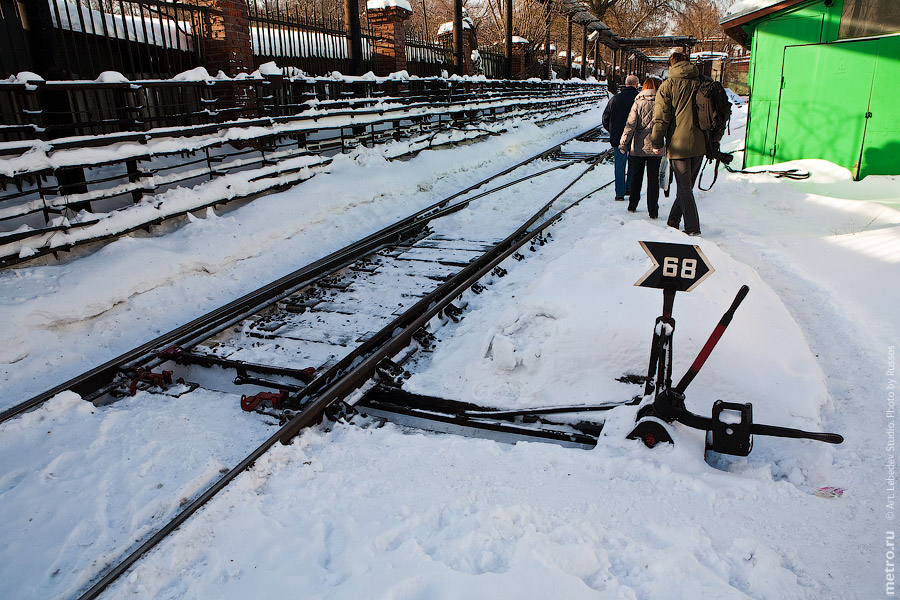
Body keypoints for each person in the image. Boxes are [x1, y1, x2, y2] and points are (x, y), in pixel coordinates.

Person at [649, 53, 707, 236]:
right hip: (701, 143)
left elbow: (661, 118)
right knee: (686, 186)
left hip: (679, 144)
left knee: (683, 187)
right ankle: (673, 220)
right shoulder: (702, 82)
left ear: (671, 65)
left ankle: (692, 227)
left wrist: (656, 142)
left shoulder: (668, 86)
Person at [619, 78, 662, 219]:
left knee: (636, 177)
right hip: (657, 146)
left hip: (638, 146)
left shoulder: (637, 102)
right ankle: (653, 210)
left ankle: (632, 205)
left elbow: (630, 125)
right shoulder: (663, 102)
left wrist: (623, 143)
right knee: (653, 179)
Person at [602, 74, 640, 202]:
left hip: (618, 139)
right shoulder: (639, 99)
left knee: (619, 165)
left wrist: (613, 131)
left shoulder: (615, 99)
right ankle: (630, 188)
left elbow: (605, 119)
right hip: (635, 138)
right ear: (637, 85)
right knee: (633, 164)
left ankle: (619, 193)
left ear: (625, 84)